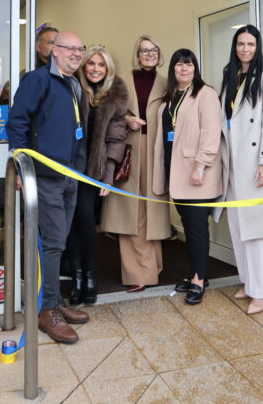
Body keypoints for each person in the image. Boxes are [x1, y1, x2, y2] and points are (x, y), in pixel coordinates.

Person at [6, 30, 89, 343]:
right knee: (52, 242)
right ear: (54, 50)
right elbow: (18, 123)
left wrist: (78, 170)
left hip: (70, 176)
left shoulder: (73, 84)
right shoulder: (37, 81)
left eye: (80, 48)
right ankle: (46, 312)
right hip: (45, 177)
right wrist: (20, 166)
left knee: (59, 242)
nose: (76, 54)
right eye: (70, 48)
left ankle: (52, 300)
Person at [219, 25, 263, 315]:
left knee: (256, 229)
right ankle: (247, 281)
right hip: (232, 161)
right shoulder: (229, 73)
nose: (246, 49)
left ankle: (262, 290)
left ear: (258, 48)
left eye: (251, 44)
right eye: (241, 44)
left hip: (255, 161)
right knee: (237, 226)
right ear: (235, 46)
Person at [101, 35, 170, 291]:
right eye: (144, 50)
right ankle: (137, 273)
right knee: (131, 214)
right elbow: (106, 112)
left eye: (154, 50)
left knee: (151, 212)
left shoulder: (167, 83)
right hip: (127, 151)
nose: (149, 54)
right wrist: (127, 119)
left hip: (156, 151)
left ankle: (152, 268)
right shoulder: (121, 82)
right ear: (137, 54)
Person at [153, 49, 222, 305]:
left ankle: (199, 280)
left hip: (197, 175)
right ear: (173, 70)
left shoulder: (206, 94)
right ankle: (196, 273)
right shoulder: (170, 98)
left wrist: (201, 166)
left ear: (195, 68)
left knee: (196, 230)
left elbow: (211, 133)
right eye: (179, 65)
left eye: (189, 65)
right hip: (176, 173)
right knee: (190, 226)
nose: (184, 69)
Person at [66, 45, 128, 305]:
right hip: (66, 166)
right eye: (91, 63)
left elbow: (116, 139)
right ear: (83, 66)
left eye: (101, 65)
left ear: (108, 69)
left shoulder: (115, 95)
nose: (95, 69)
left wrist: (108, 176)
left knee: (85, 222)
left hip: (92, 170)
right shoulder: (71, 88)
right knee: (69, 224)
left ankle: (89, 277)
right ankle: (76, 277)